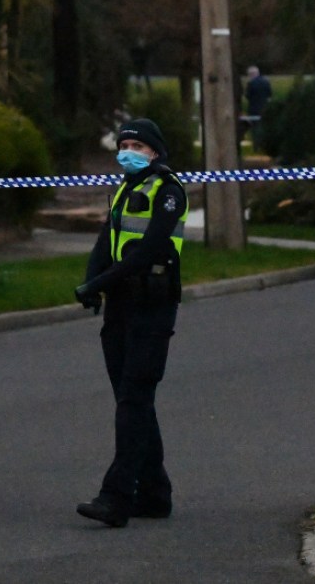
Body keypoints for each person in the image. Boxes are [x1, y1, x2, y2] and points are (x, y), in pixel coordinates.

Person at [73, 118, 189, 528]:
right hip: (121, 305)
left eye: (138, 145)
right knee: (132, 399)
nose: (129, 151)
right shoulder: (125, 189)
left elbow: (148, 251)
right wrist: (91, 283)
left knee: (133, 400)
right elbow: (106, 241)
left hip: (153, 306)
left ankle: (116, 497)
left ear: (155, 151)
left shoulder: (169, 190)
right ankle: (155, 493)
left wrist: (99, 282)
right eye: (124, 144)